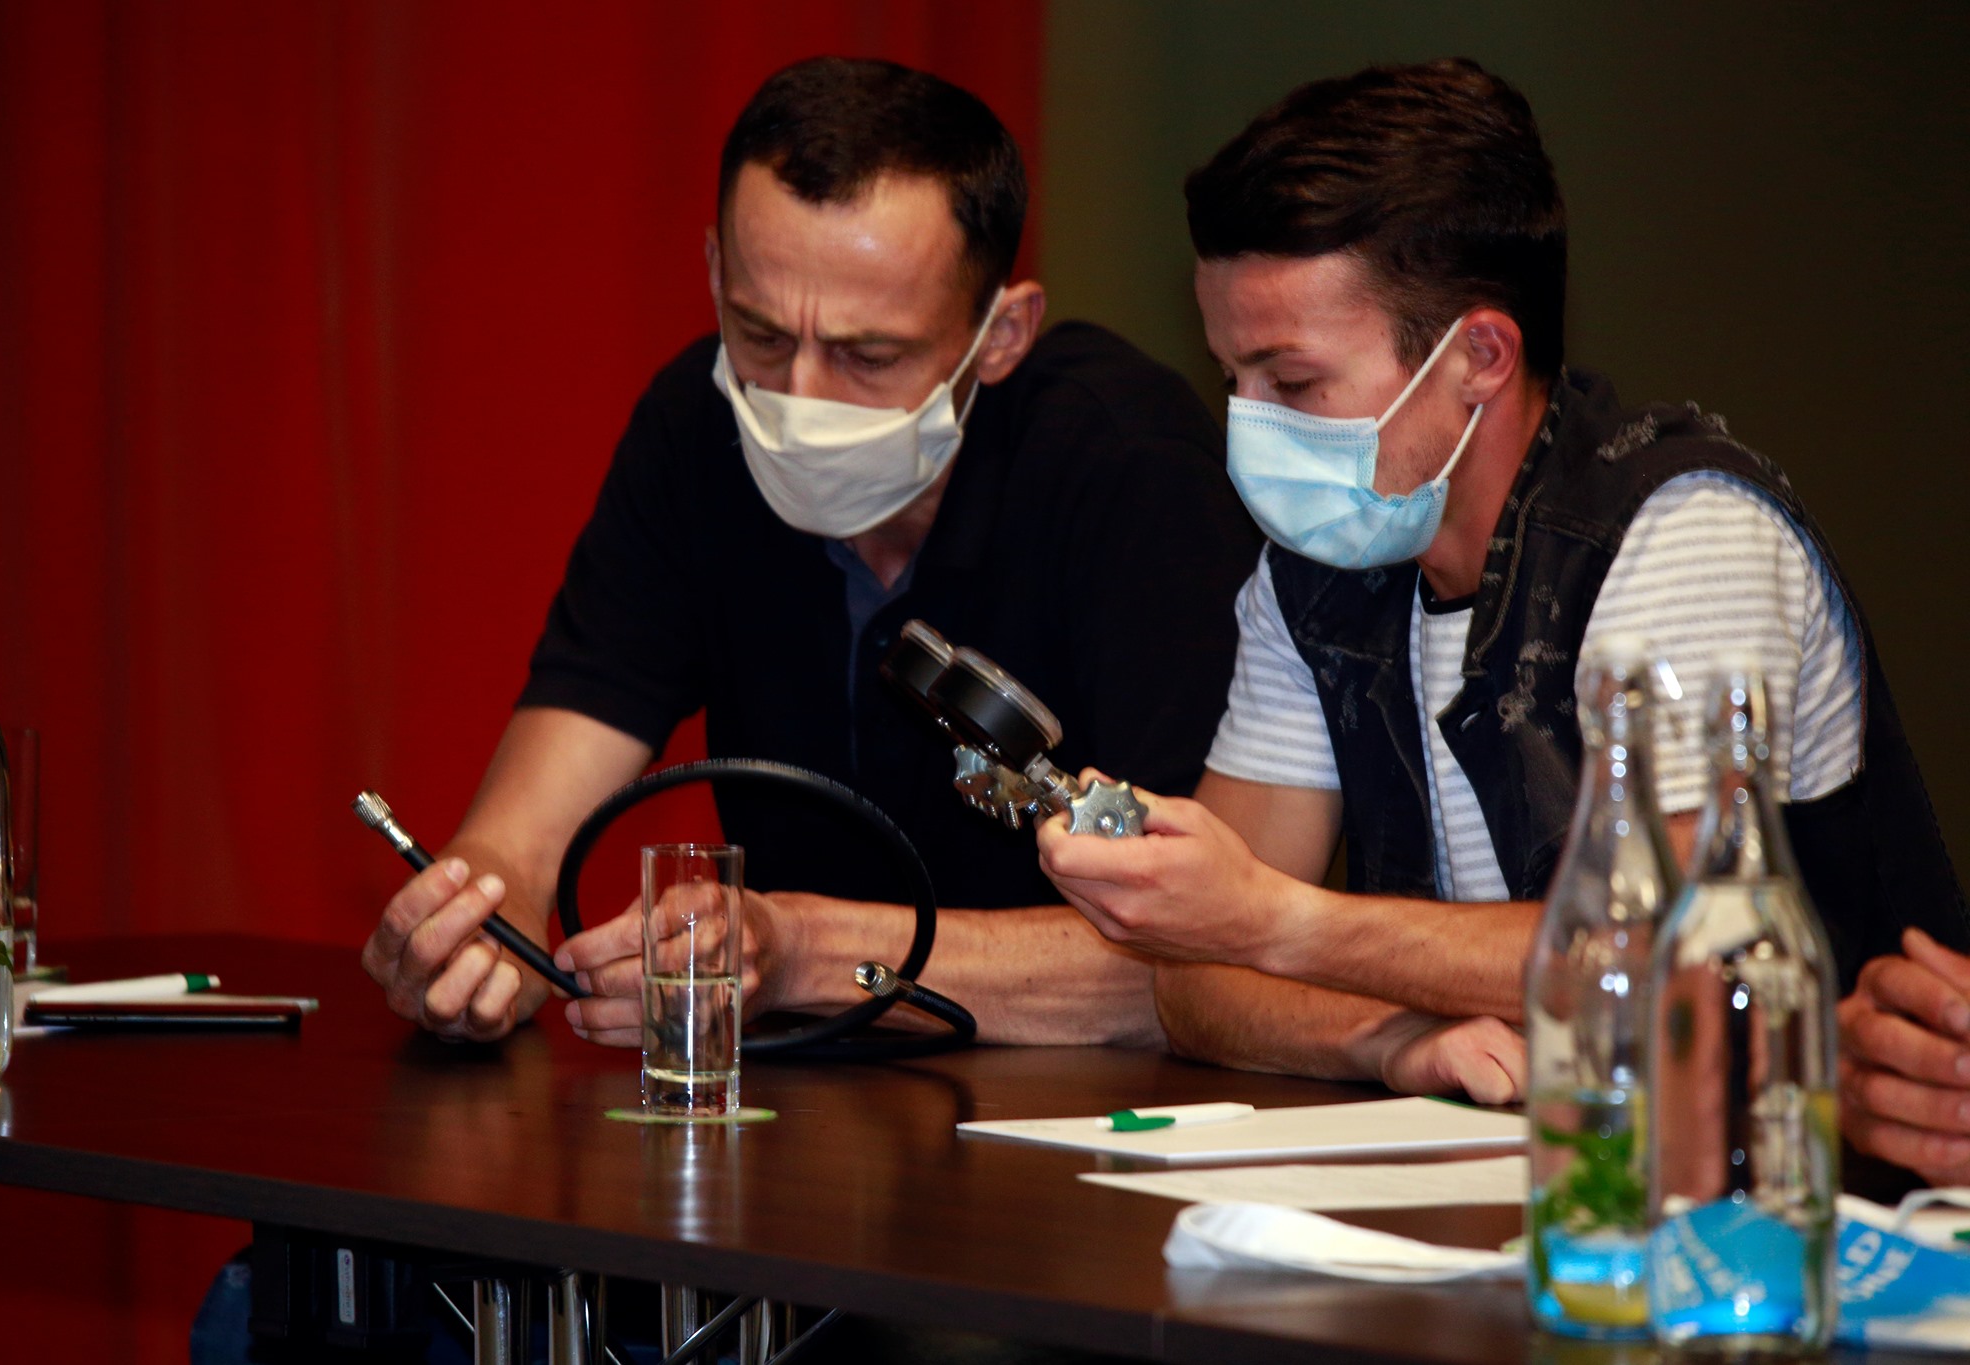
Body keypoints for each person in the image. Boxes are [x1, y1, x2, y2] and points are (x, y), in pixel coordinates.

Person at [1037, 58, 1970, 1153]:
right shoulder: (1311, 575)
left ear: (1478, 355)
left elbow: (1663, 953)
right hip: (1515, 1187)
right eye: (1230, 378)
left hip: (1807, 1190)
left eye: (1291, 385)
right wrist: (1393, 1042)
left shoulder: (1683, 531)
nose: (1250, 424)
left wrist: (1276, 921)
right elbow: (1194, 980)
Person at [360, 56, 1258, 1051]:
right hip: (799, 1100)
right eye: (758, 333)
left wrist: (804, 951)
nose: (799, 401)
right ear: (714, 273)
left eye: (868, 356)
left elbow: (1212, 956)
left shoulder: (1129, 469)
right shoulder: (695, 430)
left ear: (1001, 335)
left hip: (1091, 1113)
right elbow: (523, 839)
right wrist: (473, 931)